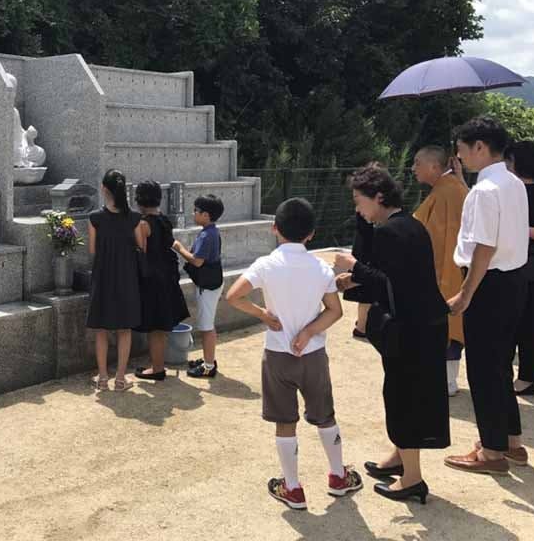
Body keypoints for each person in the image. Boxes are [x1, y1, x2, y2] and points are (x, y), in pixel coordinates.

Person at [224, 197, 363, 510]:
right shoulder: (319, 268)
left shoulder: (266, 264)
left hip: (277, 355)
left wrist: (263, 314)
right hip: (313, 355)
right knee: (325, 416)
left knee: (285, 421)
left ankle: (293, 487)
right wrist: (309, 332)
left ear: (275, 229)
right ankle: (338, 477)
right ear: (311, 233)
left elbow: (233, 296)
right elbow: (334, 310)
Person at [334, 163, 449, 505]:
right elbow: (391, 275)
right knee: (406, 393)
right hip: (427, 324)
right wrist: (353, 279)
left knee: (404, 397)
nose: (357, 208)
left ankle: (412, 479)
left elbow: (386, 281)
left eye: (359, 200)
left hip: (411, 329)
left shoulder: (389, 232)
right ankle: (400, 457)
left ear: (378, 197)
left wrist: (351, 266)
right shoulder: (410, 225)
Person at [444, 117, 530, 475]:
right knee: (499, 363)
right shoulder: (512, 182)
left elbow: (483, 247)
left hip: (488, 282)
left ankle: (492, 452)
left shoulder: (484, 191)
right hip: (514, 280)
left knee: (483, 368)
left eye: (462, 149)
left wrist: (465, 293)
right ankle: (510, 441)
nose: (460, 156)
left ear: (479, 146)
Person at [410, 145, 469, 397]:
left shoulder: (445, 192)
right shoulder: (455, 189)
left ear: (435, 167)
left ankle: (445, 380)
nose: (413, 169)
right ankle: (448, 379)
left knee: (444, 320)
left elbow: (421, 232)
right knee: (453, 321)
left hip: (445, 268)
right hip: (460, 268)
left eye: (417, 163)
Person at [87, 169, 146, 392]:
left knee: (101, 329)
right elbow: (140, 247)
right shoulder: (134, 219)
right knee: (124, 330)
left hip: (103, 277)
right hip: (127, 278)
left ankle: (102, 377)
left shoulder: (95, 218)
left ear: (104, 189)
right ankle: (121, 378)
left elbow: (92, 250)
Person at [133, 181, 190, 381]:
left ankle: (157, 368)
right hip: (168, 275)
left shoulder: (142, 224)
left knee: (155, 327)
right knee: (162, 326)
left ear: (139, 199)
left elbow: (141, 252)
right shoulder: (164, 220)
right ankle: (157, 365)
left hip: (152, 280)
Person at [505, 140, 534, 396]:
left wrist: (519, 228)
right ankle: (513, 375)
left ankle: (529, 377)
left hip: (532, 263)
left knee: (530, 322)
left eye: (509, 162)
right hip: (512, 262)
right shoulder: (510, 190)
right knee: (510, 320)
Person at [173, 194, 225, 378]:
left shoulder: (206, 235)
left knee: (206, 326)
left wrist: (179, 248)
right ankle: (208, 359)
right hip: (211, 282)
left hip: (208, 286)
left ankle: (209, 366)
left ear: (206, 215)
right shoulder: (211, 231)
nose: (193, 213)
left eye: (196, 210)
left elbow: (197, 262)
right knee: (207, 323)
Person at [344, 213, 374, 339]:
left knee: (366, 284)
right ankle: (361, 327)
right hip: (368, 235)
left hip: (367, 233)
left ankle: (363, 323)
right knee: (366, 287)